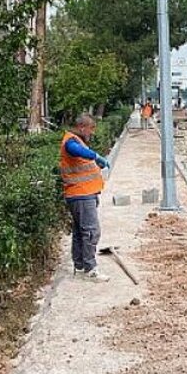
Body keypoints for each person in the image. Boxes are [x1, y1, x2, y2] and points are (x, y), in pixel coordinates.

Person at [60, 113, 112, 282]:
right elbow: (77, 151)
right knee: (91, 231)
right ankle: (90, 269)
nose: (92, 132)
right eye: (91, 128)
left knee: (79, 232)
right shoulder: (71, 142)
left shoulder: (77, 140)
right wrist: (96, 156)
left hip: (81, 194)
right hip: (81, 194)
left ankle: (80, 266)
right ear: (82, 127)